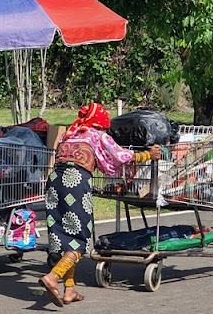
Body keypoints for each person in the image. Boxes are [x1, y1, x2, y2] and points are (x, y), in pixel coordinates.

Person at [39, 102, 161, 306]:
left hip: (54, 182)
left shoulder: (69, 134)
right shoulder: (96, 135)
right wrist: (149, 154)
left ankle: (70, 289)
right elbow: (121, 156)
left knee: (64, 234)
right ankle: (54, 276)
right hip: (75, 182)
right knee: (81, 237)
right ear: (100, 122)